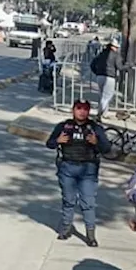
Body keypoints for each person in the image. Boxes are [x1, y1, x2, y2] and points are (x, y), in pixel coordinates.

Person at [46, 99, 111, 246]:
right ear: (73, 110)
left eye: (85, 109)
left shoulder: (95, 128)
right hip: (67, 168)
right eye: (79, 108)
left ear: (89, 111)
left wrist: (97, 143)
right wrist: (58, 140)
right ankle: (65, 228)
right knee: (68, 200)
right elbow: (49, 143)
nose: (82, 111)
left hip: (88, 170)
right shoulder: (64, 126)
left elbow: (107, 148)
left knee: (88, 202)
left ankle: (90, 235)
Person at [94, 37, 125, 119]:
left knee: (102, 96)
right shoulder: (115, 55)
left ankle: (104, 113)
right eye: (116, 47)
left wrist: (96, 72)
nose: (117, 49)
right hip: (109, 77)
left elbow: (92, 64)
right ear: (113, 47)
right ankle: (99, 114)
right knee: (107, 96)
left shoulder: (101, 53)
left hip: (99, 76)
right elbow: (119, 67)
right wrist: (128, 66)